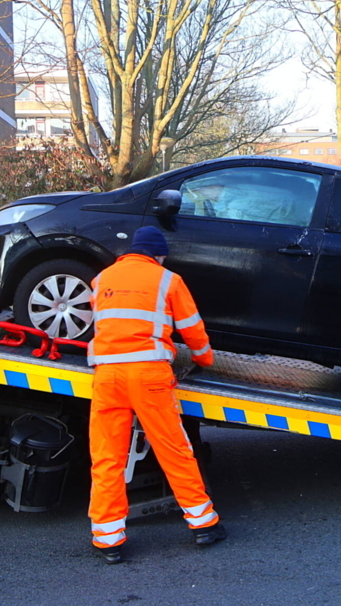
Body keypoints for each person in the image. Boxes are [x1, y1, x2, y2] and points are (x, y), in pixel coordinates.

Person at [86, 226, 226, 564]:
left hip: (107, 376)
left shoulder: (101, 279)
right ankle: (203, 524)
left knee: (107, 457)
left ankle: (108, 540)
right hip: (148, 374)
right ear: (158, 255)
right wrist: (204, 358)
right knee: (173, 450)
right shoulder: (168, 280)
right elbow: (191, 327)